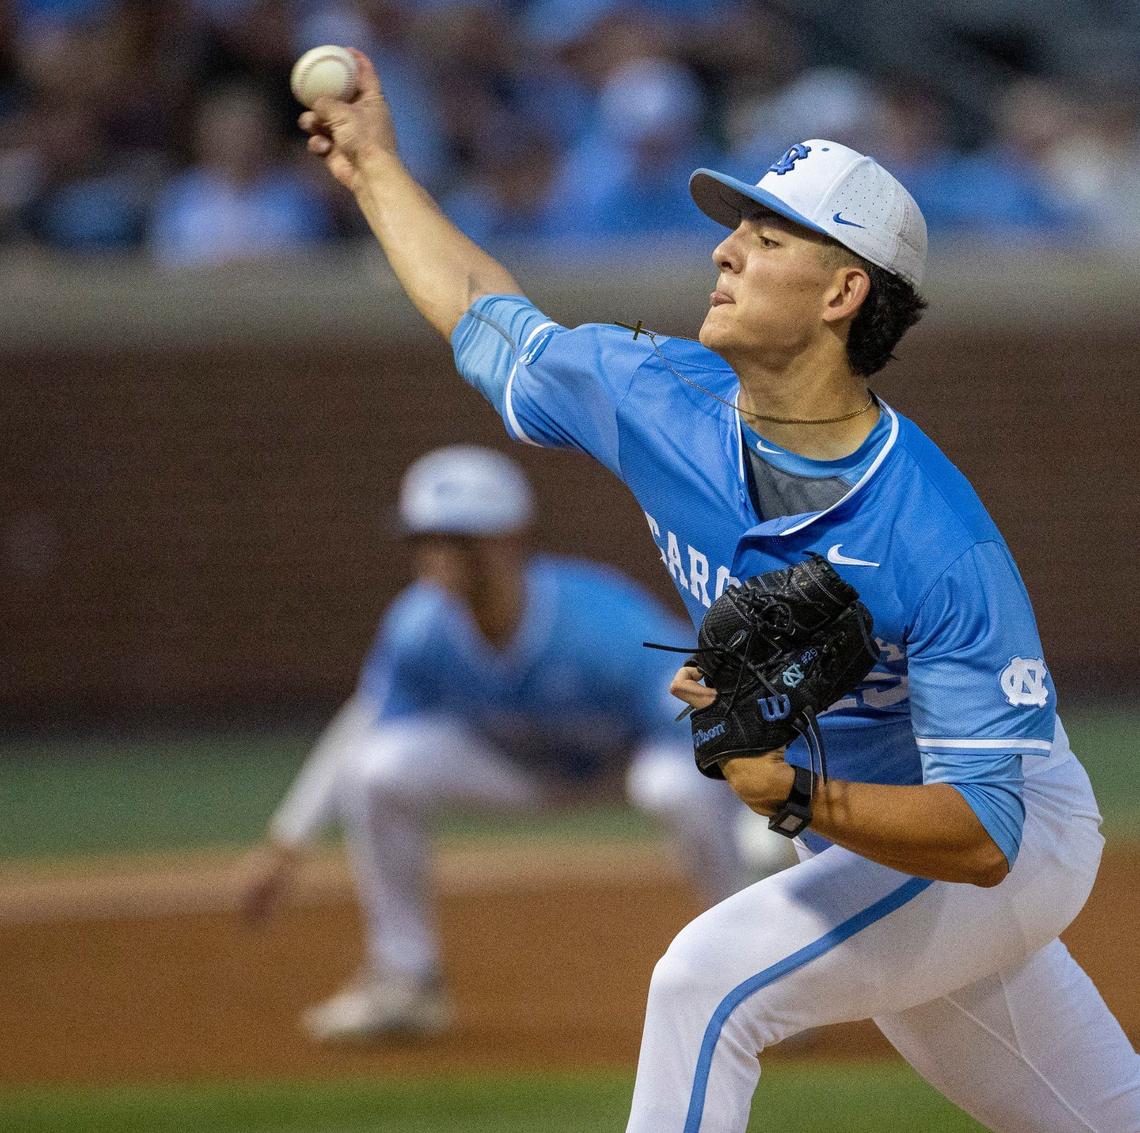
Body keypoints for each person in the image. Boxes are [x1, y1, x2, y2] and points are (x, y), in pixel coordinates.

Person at [295, 54, 1140, 1129]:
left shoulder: (933, 538)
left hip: (1002, 841)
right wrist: (372, 167)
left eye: (768, 235)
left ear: (843, 293)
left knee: (703, 985)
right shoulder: (651, 395)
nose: (724, 248)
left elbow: (985, 832)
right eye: (737, 226)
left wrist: (791, 794)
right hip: (860, 842)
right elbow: (479, 310)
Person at [239, 443, 756, 1043]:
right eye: (426, 538)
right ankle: (405, 981)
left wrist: (763, 812)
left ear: (509, 539)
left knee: (674, 788)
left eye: (459, 537)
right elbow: (366, 720)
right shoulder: (419, 626)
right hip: (512, 769)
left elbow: (707, 710)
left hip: (627, 764)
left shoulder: (600, 624)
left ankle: (749, 970)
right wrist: (287, 843)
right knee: (378, 768)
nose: (438, 554)